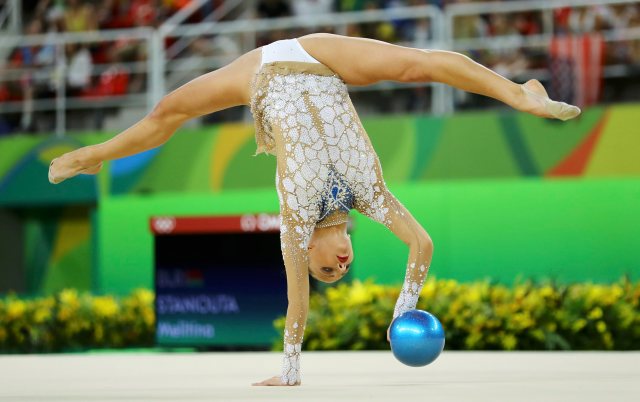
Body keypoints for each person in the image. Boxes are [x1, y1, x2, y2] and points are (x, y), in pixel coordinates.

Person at [47, 33, 581, 386]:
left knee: (167, 112)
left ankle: (94, 154)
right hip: (319, 61)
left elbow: (295, 301)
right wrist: (403, 310)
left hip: (259, 76)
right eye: (343, 268)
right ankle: (520, 95)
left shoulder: (294, 223)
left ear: (308, 253)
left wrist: (290, 369)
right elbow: (422, 244)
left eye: (327, 267)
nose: (339, 265)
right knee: (414, 64)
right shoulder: (371, 196)